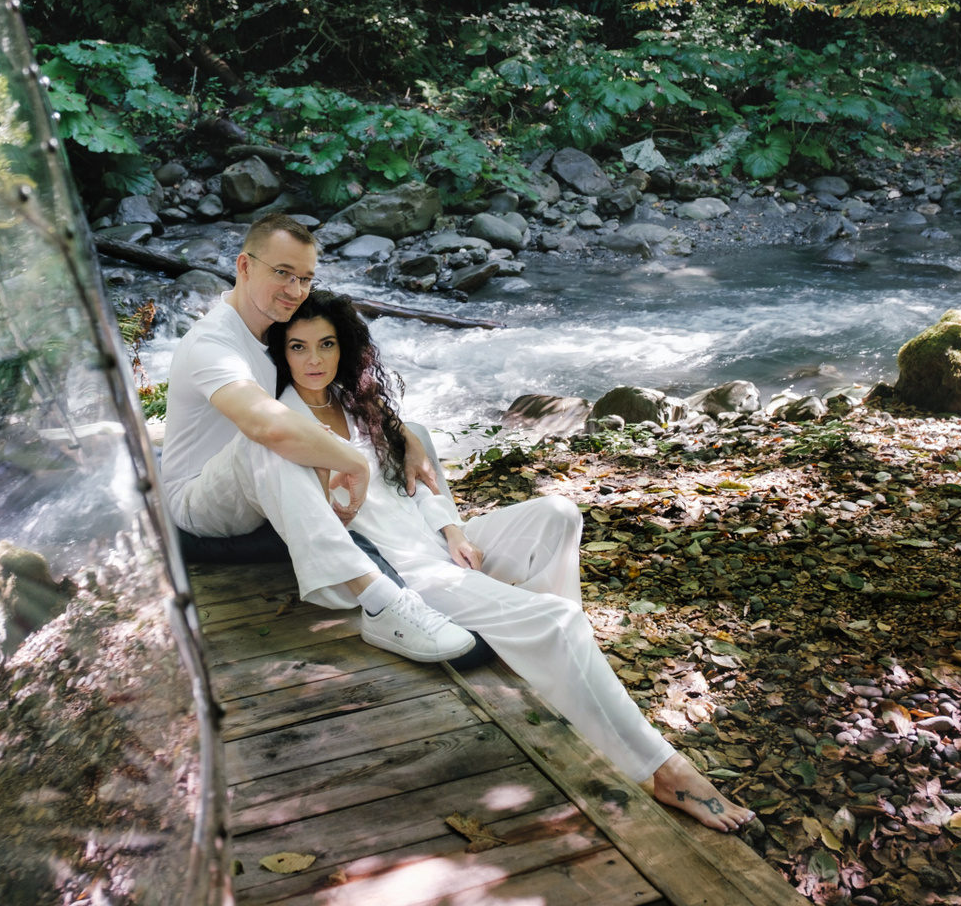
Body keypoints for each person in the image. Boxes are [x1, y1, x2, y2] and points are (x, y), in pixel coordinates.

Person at [265, 290, 755, 833]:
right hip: (406, 574)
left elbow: (415, 484)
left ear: (345, 347)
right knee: (558, 620)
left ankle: (560, 670)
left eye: (327, 344)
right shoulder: (281, 426)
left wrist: (454, 530)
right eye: (299, 346)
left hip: (435, 544)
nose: (314, 359)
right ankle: (663, 770)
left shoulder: (358, 403)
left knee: (558, 514)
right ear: (281, 353)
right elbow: (316, 529)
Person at [160, 214, 476, 662]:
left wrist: (405, 434)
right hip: (201, 506)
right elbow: (265, 425)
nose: (295, 290)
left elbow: (334, 388)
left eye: (305, 278)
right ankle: (382, 603)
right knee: (271, 441)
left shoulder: (271, 325)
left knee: (405, 431)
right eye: (283, 273)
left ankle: (443, 544)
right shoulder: (212, 345)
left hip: (259, 495)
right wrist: (353, 461)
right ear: (244, 266)